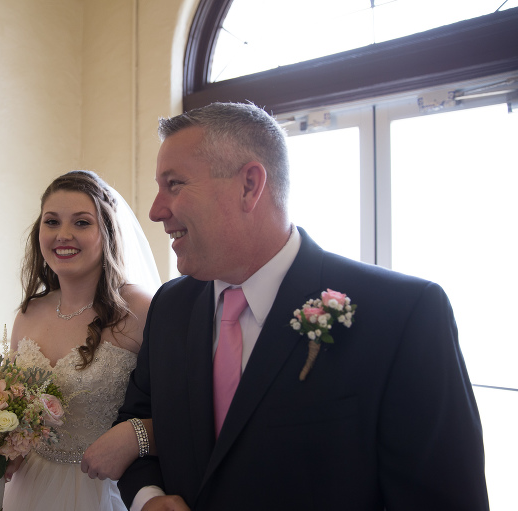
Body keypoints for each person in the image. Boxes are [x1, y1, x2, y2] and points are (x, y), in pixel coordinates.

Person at [83, 102, 489, 510]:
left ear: (249, 185)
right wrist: (148, 499)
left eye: (174, 184)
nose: (155, 211)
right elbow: (137, 423)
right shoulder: (171, 307)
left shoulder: (402, 316)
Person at [0, 170, 160, 510]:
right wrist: (2, 457)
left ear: (107, 231)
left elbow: (181, 417)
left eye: (82, 222)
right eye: (52, 222)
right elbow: (23, 422)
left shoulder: (141, 310)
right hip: (31, 489)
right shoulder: (29, 313)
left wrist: (135, 437)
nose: (63, 235)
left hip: (105, 490)